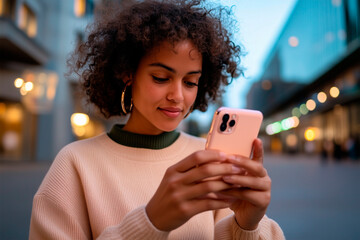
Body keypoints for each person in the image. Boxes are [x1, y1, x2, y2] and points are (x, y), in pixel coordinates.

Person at [29, 0, 285, 239]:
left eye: (190, 82)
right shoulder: (75, 163)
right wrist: (151, 222)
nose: (177, 96)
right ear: (128, 73)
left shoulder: (208, 156)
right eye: (161, 78)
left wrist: (247, 225)